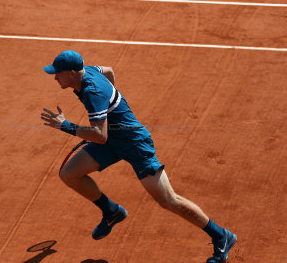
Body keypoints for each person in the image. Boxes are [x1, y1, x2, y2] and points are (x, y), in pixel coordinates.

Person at [41, 50, 236, 262]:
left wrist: (65, 125)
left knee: (168, 200)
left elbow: (99, 135)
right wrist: (113, 105)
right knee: (69, 173)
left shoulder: (92, 92)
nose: (54, 77)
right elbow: (109, 70)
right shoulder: (87, 70)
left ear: (71, 73)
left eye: (57, 73)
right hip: (111, 140)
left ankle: (221, 236)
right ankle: (112, 211)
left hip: (134, 144)